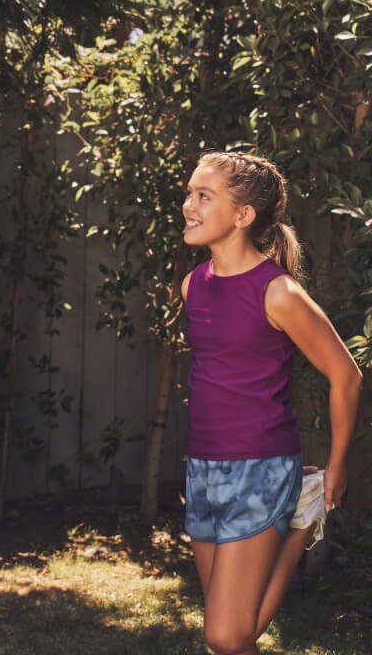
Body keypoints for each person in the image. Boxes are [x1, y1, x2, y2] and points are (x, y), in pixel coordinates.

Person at [181, 151, 362, 655]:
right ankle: (300, 521)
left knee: (224, 634)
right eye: (189, 193)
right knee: (233, 634)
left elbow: (346, 375)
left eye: (203, 196)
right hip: (202, 466)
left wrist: (337, 466)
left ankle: (300, 525)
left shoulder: (278, 292)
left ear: (243, 216)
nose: (188, 206)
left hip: (260, 466)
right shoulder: (192, 285)